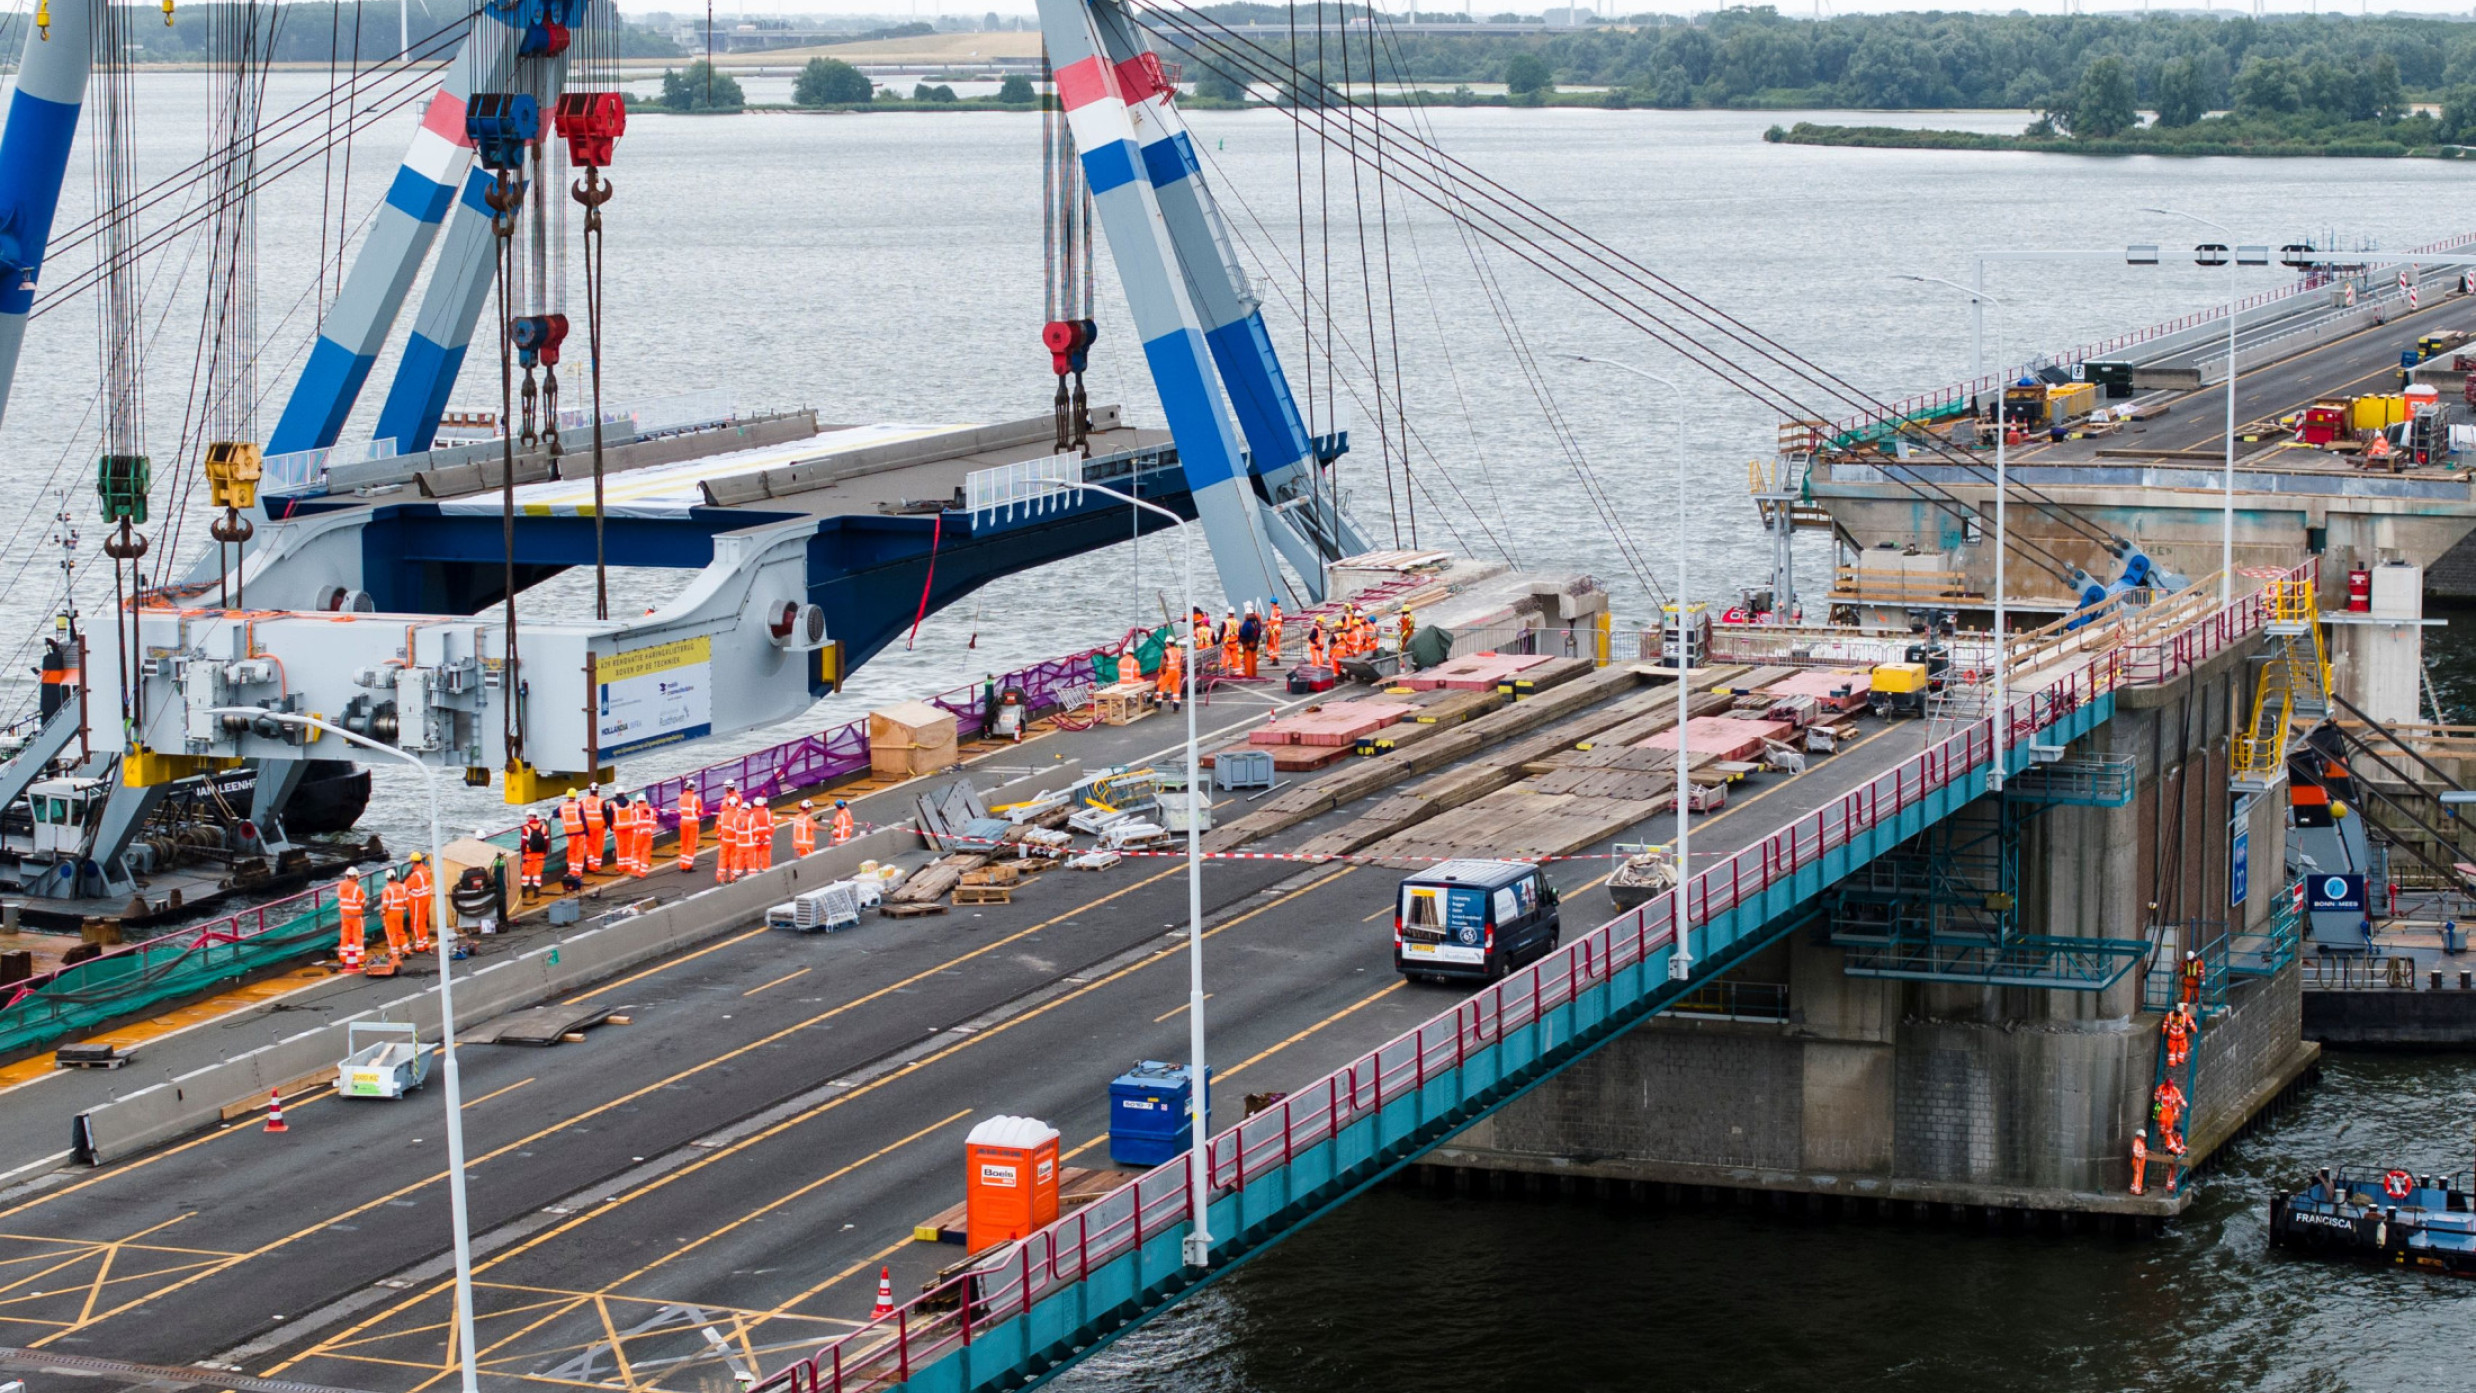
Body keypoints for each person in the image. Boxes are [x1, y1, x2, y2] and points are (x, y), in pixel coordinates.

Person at [379, 867, 411, 967]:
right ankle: (407, 950)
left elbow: (385, 904)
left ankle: (395, 954)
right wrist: (404, 908)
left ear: (387, 878)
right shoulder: (402, 887)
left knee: (391, 934)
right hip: (399, 913)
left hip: (390, 914)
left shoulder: (386, 890)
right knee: (400, 932)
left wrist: (382, 912)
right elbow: (407, 902)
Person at [334, 871, 367, 971]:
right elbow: (362, 902)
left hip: (345, 916)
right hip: (356, 917)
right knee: (358, 937)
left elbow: (340, 898)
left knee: (344, 937)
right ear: (355, 877)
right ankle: (360, 959)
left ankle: (343, 958)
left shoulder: (340, 886)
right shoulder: (357, 888)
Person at [404, 852, 434, 954]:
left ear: (412, 862)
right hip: (426, 898)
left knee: (416, 923)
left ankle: (419, 945)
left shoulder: (415, 875)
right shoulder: (425, 870)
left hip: (418, 900)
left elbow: (407, 886)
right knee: (422, 922)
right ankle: (425, 943)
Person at [2152, 1078, 2187, 1156]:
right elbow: (2156, 1097)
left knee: (2169, 1123)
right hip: (2163, 1108)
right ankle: (2162, 1133)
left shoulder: (2174, 1090)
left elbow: (2179, 1096)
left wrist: (2183, 1102)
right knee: (2162, 1120)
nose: (2169, 1088)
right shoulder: (2161, 1088)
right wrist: (2158, 1101)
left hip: (2170, 1109)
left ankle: (2167, 1135)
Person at [579, 783, 607, 874]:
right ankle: (597, 866)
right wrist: (606, 825)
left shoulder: (583, 801)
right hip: (599, 828)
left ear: (590, 790)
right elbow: (605, 815)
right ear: (597, 790)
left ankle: (591, 866)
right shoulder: (601, 801)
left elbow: (580, 814)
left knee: (589, 847)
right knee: (598, 847)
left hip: (588, 828)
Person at [676, 783, 704, 874]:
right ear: (692, 788)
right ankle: (688, 866)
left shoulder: (681, 797)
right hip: (692, 823)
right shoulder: (696, 799)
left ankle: (682, 865)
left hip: (683, 821)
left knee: (684, 843)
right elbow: (700, 812)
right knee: (691, 844)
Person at [519, 813, 549, 896]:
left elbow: (523, 843)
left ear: (531, 816)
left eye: (527, 816)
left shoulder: (526, 828)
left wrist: (523, 852)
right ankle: (536, 893)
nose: (526, 818)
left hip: (528, 854)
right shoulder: (544, 827)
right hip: (540, 854)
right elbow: (547, 842)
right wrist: (545, 852)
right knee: (537, 874)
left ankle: (524, 893)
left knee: (526, 874)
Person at [558, 789, 586, 880]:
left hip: (570, 833)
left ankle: (572, 870)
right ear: (575, 796)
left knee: (571, 852)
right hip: (580, 832)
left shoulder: (562, 807)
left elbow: (555, 813)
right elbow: (583, 819)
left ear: (567, 796)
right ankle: (578, 872)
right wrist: (587, 831)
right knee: (579, 852)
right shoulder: (578, 806)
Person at [1155, 636, 1184, 712]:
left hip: (1168, 672)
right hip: (1177, 672)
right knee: (1175, 690)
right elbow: (1181, 661)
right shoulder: (1179, 651)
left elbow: (1164, 663)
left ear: (1168, 643)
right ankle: (1176, 708)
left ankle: (1158, 706)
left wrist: (1162, 671)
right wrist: (1179, 669)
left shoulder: (1166, 651)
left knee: (1160, 687)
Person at [750, 796, 777, 873]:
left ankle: (754, 875)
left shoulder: (751, 815)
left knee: (755, 859)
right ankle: (767, 873)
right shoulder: (768, 814)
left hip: (755, 841)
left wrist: (758, 839)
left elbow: (751, 829)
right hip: (766, 841)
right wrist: (766, 838)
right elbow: (771, 827)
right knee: (766, 858)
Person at [2163, 1002, 2194, 1068]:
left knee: (2172, 1050)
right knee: (2183, 1048)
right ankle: (2179, 1060)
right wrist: (2195, 1030)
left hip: (2172, 1037)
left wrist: (2164, 1032)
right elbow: (2191, 1023)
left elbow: (2165, 1024)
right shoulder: (2185, 1015)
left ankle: (2172, 1063)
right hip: (2181, 1037)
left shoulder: (2170, 1015)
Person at [1238, 605, 1262, 679]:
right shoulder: (1256, 622)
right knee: (1254, 660)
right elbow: (1259, 631)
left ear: (1247, 615)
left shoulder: (1247, 624)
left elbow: (1243, 633)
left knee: (1248, 661)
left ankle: (1249, 675)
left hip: (1247, 644)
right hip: (1255, 643)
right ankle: (1254, 674)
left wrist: (1239, 631)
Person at [1219, 609, 1241, 676]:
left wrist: (1218, 642)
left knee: (1225, 659)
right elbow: (1239, 632)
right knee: (1236, 659)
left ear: (1228, 613)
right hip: (1235, 643)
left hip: (1227, 644)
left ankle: (1225, 673)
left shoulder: (1225, 622)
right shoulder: (1238, 622)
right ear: (1234, 614)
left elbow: (1221, 633)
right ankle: (1239, 673)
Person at [1266, 600, 1284, 666]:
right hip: (1278, 631)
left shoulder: (1274, 611)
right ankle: (1276, 659)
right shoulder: (1279, 611)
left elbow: (1271, 622)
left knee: (1269, 646)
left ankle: (1274, 659)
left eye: (1270, 603)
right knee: (1276, 646)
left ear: (1272, 603)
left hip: (1273, 631)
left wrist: (1268, 629)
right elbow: (1281, 622)